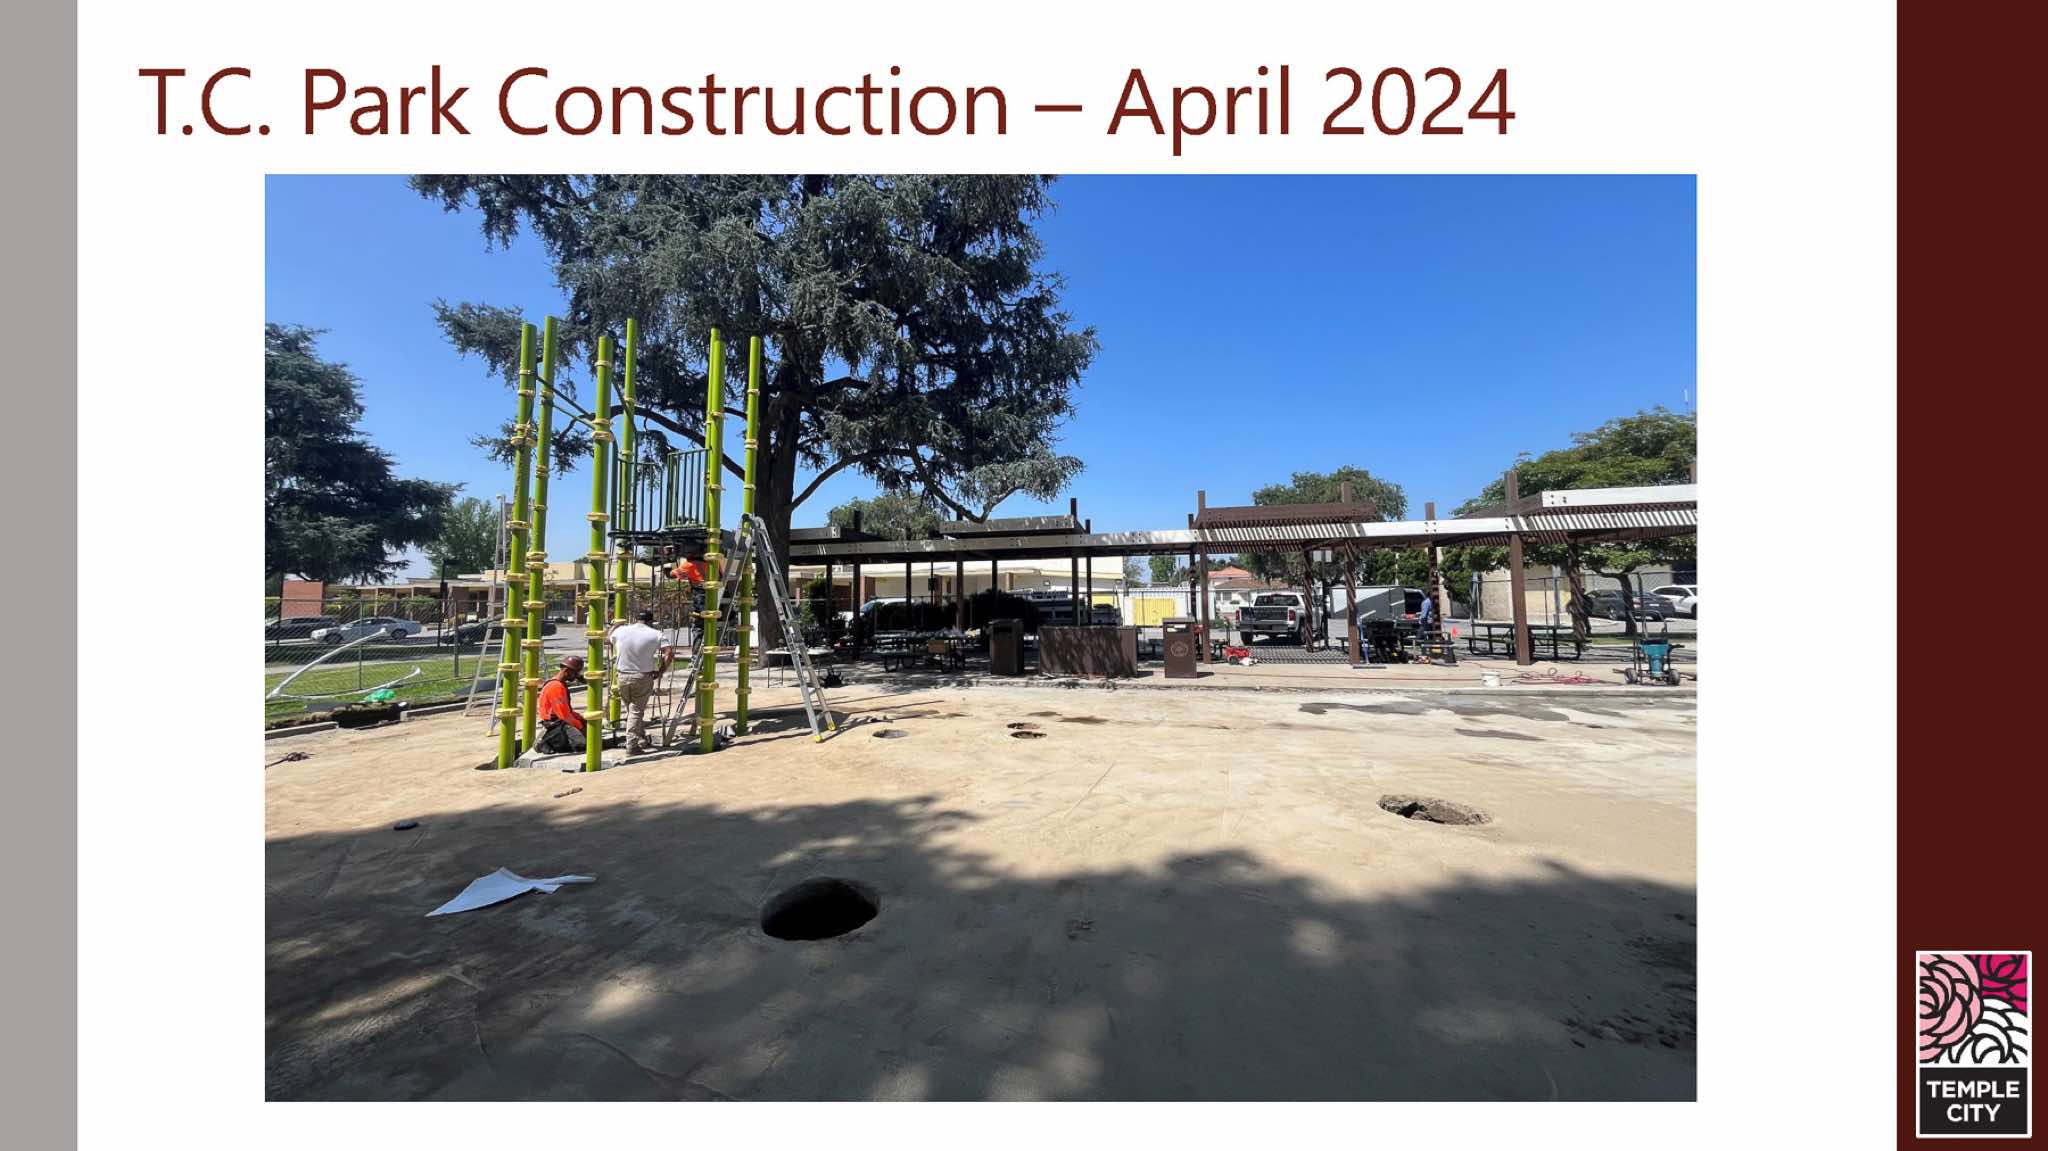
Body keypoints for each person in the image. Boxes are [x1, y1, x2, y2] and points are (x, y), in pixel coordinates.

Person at [607, 609, 674, 754]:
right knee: (636, 711)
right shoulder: (656, 634)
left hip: (622, 676)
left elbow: (608, 639)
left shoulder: (621, 631)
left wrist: (615, 626)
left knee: (632, 710)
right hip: (642, 676)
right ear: (650, 621)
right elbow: (669, 653)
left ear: (635, 619)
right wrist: (661, 671)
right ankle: (632, 745)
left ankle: (641, 737)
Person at [534, 656, 586, 753]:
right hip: (556, 724)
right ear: (566, 671)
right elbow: (564, 715)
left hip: (558, 721)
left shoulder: (557, 683)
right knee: (583, 744)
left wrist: (581, 718)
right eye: (575, 673)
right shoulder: (556, 687)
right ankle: (546, 742)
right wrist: (581, 727)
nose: (576, 676)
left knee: (583, 724)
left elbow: (567, 711)